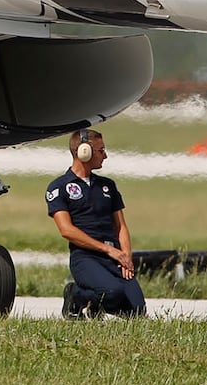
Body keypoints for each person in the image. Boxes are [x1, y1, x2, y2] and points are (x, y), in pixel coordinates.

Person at [45, 127, 145, 318]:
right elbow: (66, 230)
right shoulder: (59, 187)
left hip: (114, 256)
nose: (105, 156)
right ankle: (76, 295)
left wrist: (125, 257)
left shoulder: (108, 186)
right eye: (101, 151)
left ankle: (96, 306)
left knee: (136, 311)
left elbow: (121, 226)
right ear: (84, 151)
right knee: (111, 293)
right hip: (86, 257)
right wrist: (108, 250)